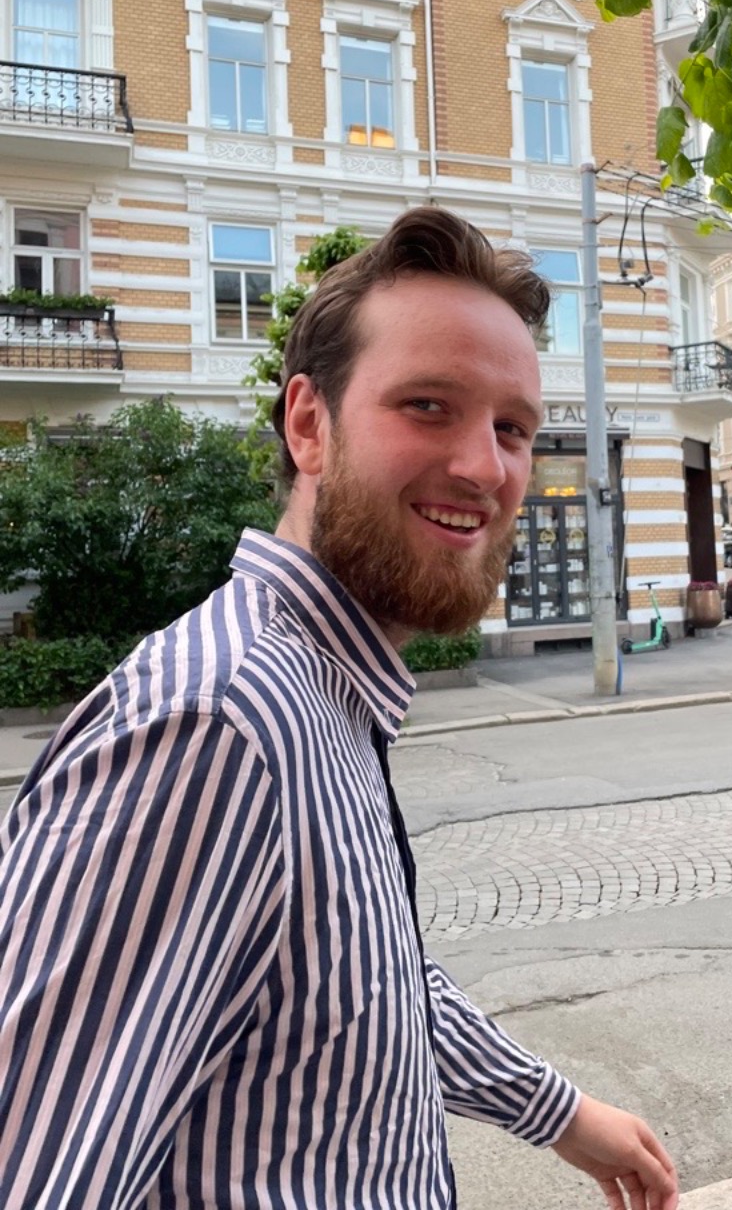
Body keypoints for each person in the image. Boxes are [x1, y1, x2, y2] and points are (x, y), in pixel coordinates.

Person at [0, 209, 678, 1210]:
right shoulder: (221, 725)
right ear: (309, 425)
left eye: (513, 429)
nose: (486, 469)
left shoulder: (321, 691)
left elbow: (355, 982)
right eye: (428, 406)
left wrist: (558, 1111)